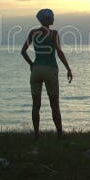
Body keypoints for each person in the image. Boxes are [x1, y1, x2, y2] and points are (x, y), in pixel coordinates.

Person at [20, 8, 72, 139]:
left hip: (36, 71)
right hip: (50, 70)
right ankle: (60, 134)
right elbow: (59, 52)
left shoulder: (33, 32)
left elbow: (23, 51)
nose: (54, 19)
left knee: (35, 105)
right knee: (54, 104)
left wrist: (32, 64)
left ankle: (36, 135)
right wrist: (68, 68)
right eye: (52, 17)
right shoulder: (54, 33)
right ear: (48, 19)